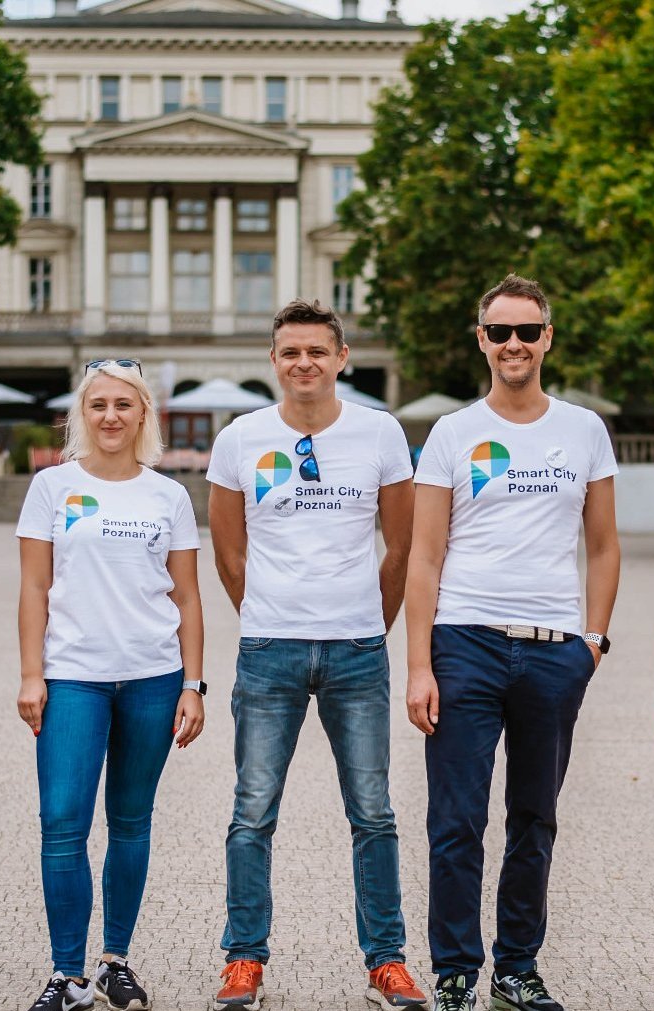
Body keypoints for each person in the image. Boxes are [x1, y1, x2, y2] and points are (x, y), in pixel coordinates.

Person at [405, 274, 620, 1011]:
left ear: (548, 338)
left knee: (535, 816)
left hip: (554, 647)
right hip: (465, 641)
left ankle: (518, 968)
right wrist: (419, 664)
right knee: (457, 818)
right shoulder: (453, 434)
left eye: (528, 331)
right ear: (482, 341)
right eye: (501, 332)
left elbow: (604, 546)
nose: (515, 345)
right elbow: (424, 557)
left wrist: (591, 642)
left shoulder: (584, 430)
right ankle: (457, 971)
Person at [206, 300, 425, 1011]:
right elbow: (229, 552)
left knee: (373, 813)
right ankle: (244, 959)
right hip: (268, 648)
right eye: (290, 352)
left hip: (358, 648)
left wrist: (372, 622)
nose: (304, 363)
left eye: (316, 351)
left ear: (342, 357)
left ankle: (386, 962)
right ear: (273, 360)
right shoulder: (240, 438)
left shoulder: (380, 433)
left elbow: (401, 546)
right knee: (252, 811)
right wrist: (268, 614)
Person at [15, 358, 206, 1011]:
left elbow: (187, 594)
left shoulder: (168, 495)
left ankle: (113, 962)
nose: (111, 415)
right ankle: (66, 976)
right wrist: (30, 673)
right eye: (99, 404)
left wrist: (195, 683)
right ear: (83, 414)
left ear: (143, 414)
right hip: (73, 678)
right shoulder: (52, 487)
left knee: (130, 822)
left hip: (154, 677)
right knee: (63, 821)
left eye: (125, 404)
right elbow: (34, 588)